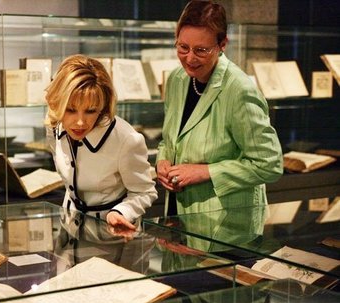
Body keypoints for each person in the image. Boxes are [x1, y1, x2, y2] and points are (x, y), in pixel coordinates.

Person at [156, 0, 283, 215]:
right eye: (182, 47)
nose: (189, 58)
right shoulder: (177, 79)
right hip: (179, 213)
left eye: (201, 50)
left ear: (223, 44)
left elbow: (269, 165)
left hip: (227, 224)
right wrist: (162, 161)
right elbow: (170, 140)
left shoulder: (239, 90)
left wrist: (206, 172)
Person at [45, 54, 157, 231]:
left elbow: (145, 192)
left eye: (90, 111)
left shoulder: (127, 139)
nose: (80, 122)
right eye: (70, 110)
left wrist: (121, 212)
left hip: (113, 233)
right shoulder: (54, 126)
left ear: (103, 107)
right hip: (69, 229)